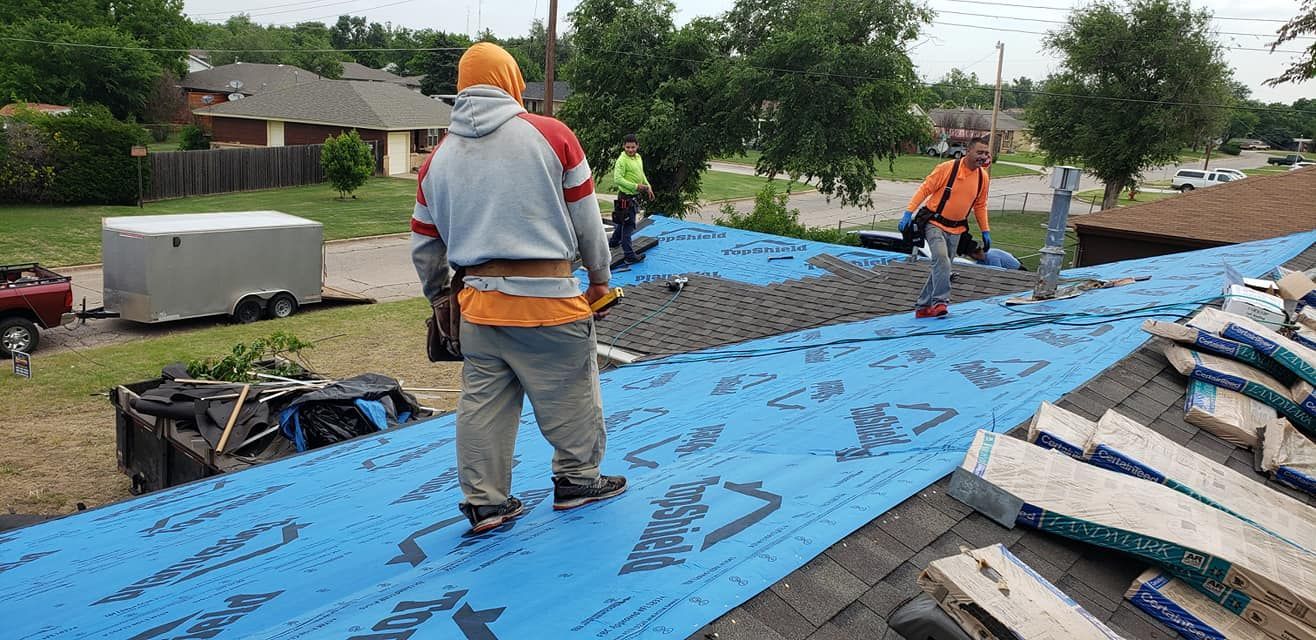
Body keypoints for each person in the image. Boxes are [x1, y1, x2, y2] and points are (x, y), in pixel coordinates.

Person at [410, 43, 626, 535]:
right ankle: (577, 481)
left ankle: (486, 504)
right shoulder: (551, 135)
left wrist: (440, 298)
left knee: (483, 407)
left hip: (479, 312)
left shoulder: (436, 160)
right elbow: (589, 222)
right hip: (548, 303)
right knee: (572, 395)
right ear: (511, 81)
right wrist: (599, 281)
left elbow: (425, 249)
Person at [898, 137, 992, 318]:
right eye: (979, 152)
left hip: (956, 229)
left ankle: (923, 306)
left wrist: (985, 230)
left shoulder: (982, 178)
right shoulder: (947, 169)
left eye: (986, 153)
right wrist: (909, 212)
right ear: (968, 152)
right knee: (941, 260)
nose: (983, 156)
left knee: (943, 268)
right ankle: (941, 301)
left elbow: (980, 205)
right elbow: (925, 189)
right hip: (934, 223)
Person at [610, 134, 651, 264]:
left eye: (633, 147)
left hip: (632, 197)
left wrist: (648, 186)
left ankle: (613, 243)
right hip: (625, 198)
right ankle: (629, 255)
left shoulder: (638, 157)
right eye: (628, 147)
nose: (630, 150)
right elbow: (618, 179)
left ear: (637, 146)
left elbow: (641, 173)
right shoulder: (622, 160)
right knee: (628, 225)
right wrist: (636, 186)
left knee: (622, 221)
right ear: (624, 146)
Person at [959, 235, 1024, 270]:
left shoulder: (992, 257)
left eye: (970, 255)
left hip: (1018, 270)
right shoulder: (981, 259)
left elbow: (997, 272)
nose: (971, 257)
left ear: (975, 254)